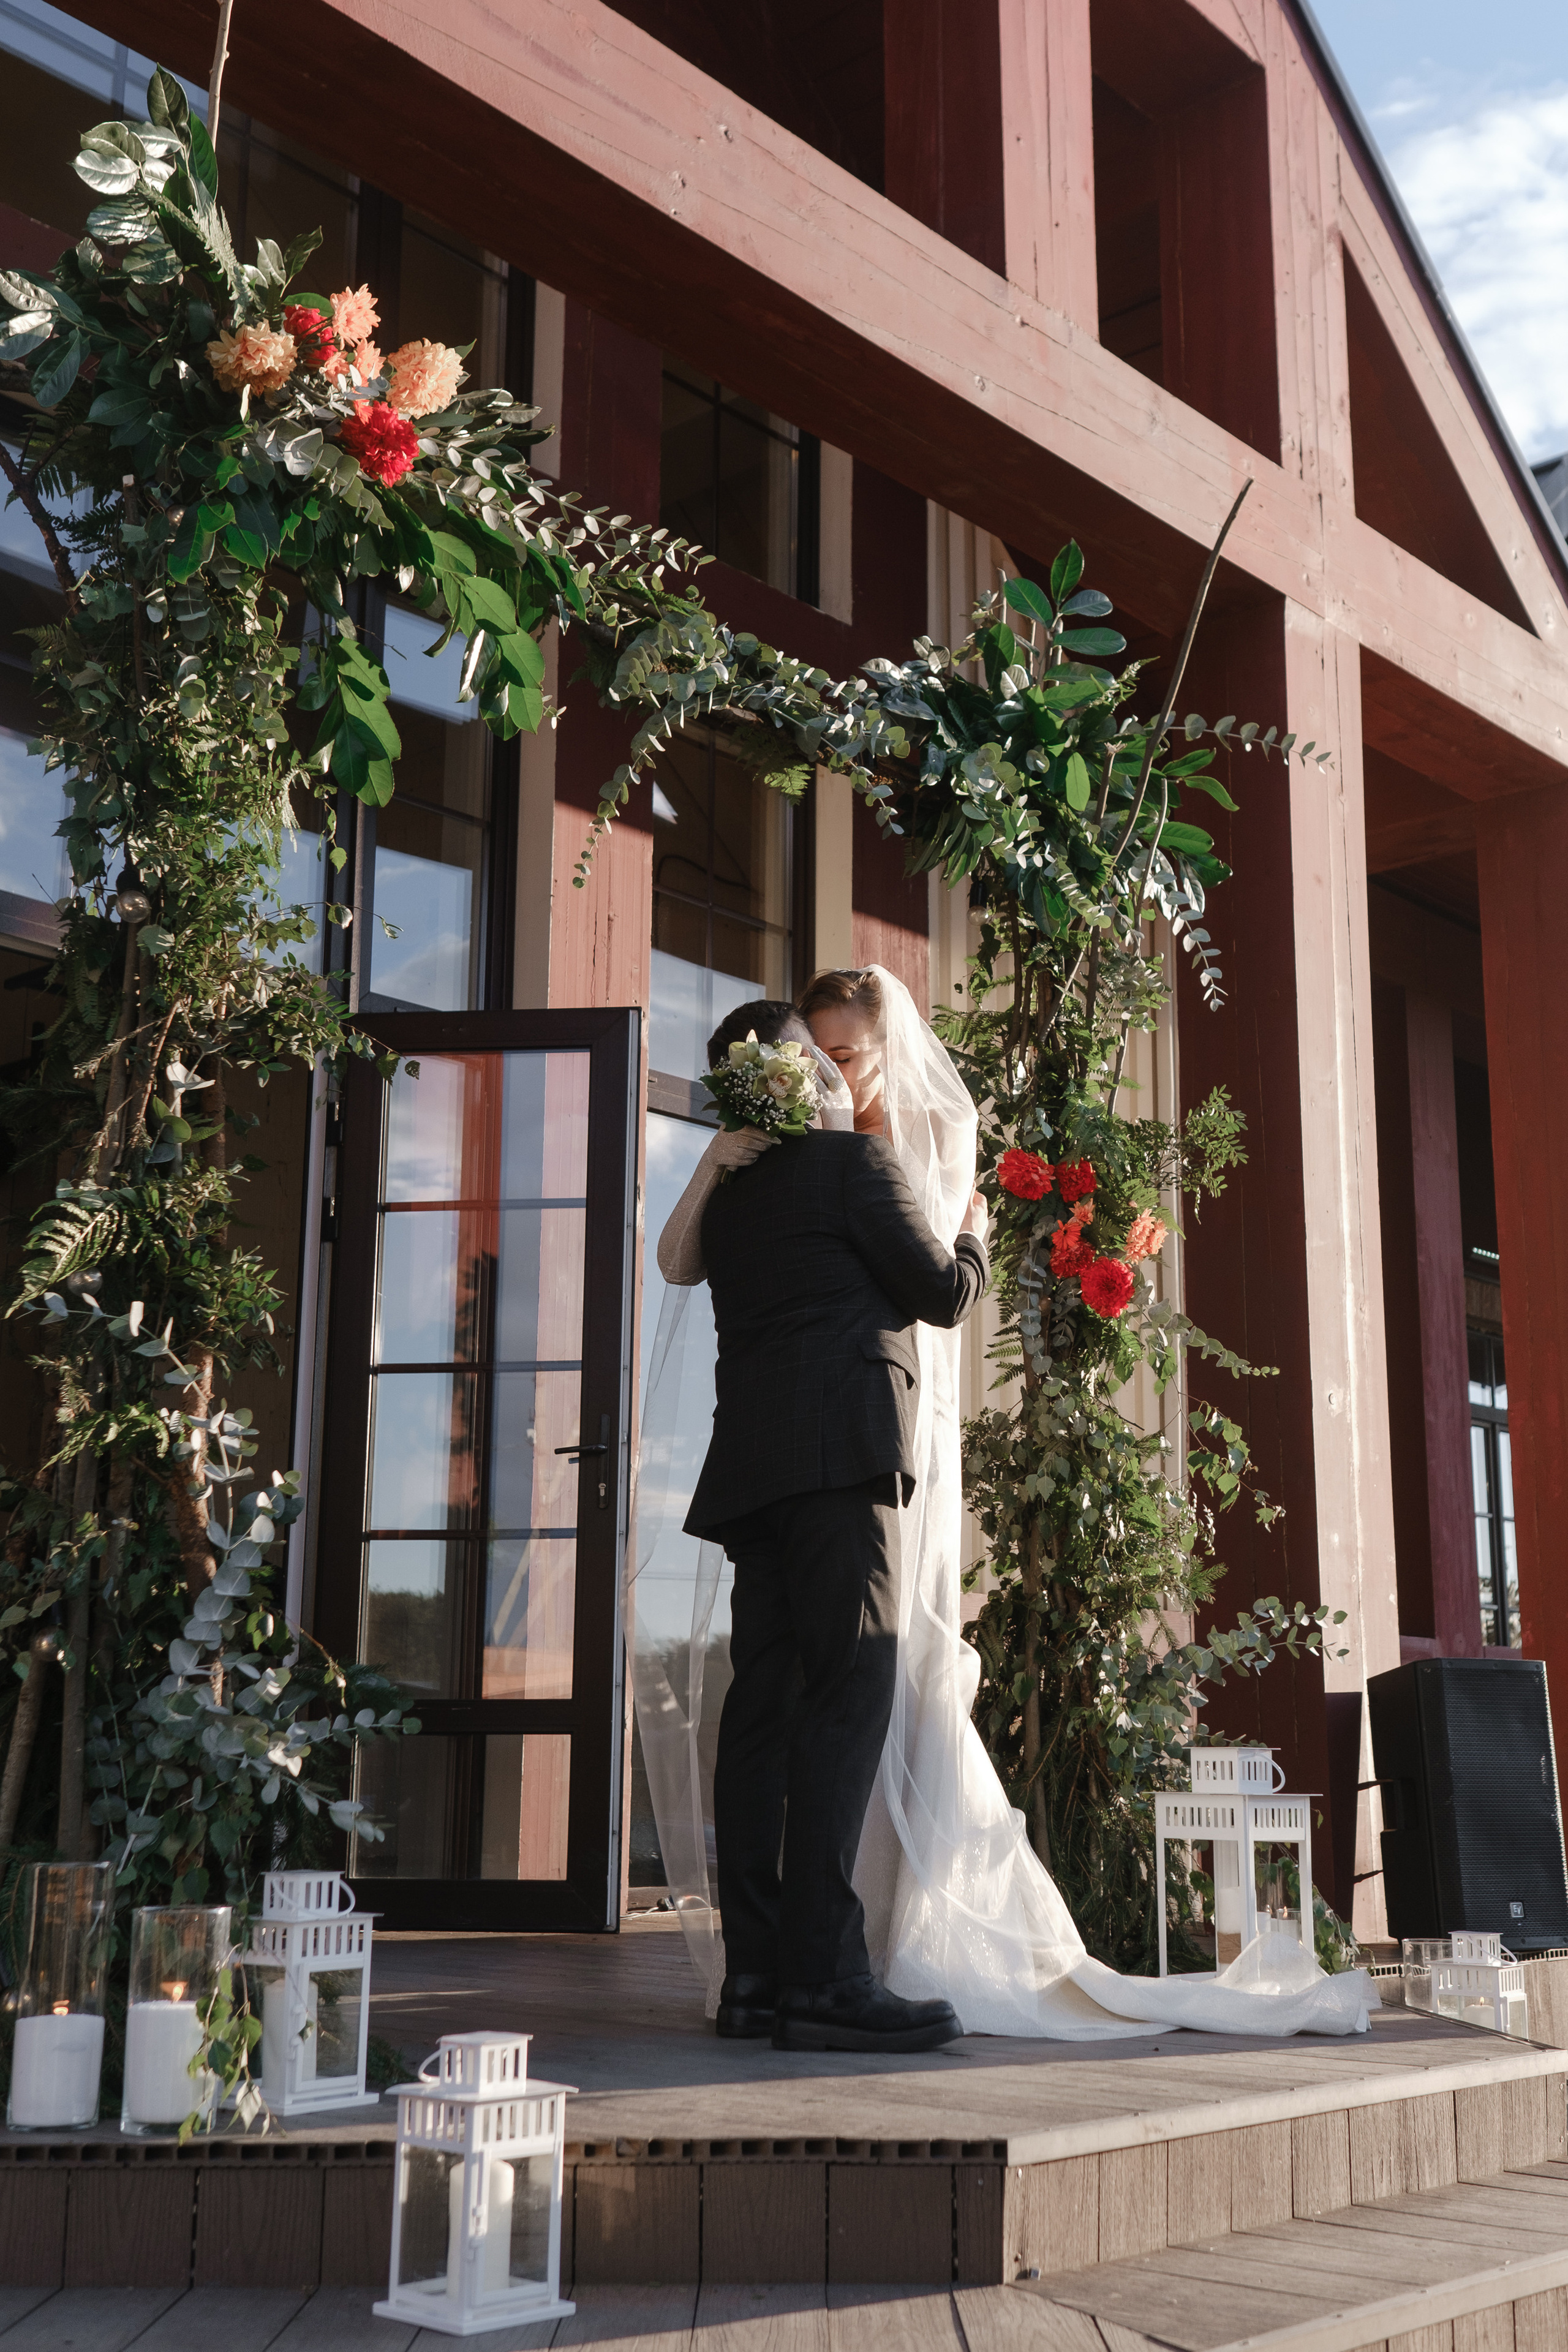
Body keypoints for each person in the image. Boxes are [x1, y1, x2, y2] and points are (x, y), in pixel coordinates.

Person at [668, 997, 990, 2052]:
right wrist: (973, 1233)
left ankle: (753, 1976)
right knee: (851, 1697)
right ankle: (826, 1976)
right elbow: (940, 1296)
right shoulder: (856, 1166)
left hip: (752, 1473)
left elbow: (678, 1262)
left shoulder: (734, 1201)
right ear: (798, 1072)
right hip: (845, 1460)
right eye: (816, 1055)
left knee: (761, 1711)